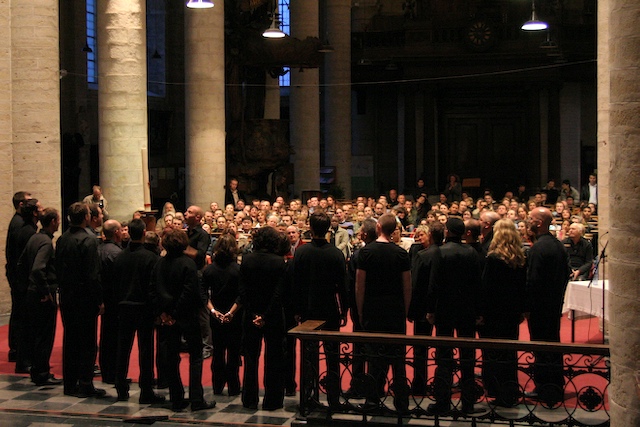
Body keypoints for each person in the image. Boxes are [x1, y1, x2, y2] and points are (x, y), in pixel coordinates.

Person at [150, 228, 215, 412]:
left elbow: (152, 290)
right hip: (186, 316)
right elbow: (189, 292)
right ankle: (196, 398)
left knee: (171, 357)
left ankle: (176, 398)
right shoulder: (188, 263)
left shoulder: (160, 263)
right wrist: (175, 313)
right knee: (195, 356)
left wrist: (164, 314)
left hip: (168, 317)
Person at [426, 217, 482, 415]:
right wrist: (478, 310)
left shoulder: (440, 252)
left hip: (445, 309)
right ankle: (468, 403)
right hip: (467, 310)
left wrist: (430, 310)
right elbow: (477, 284)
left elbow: (434, 284)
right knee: (468, 356)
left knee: (444, 356)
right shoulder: (471, 252)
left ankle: (443, 402)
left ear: (447, 231)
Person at [356, 213, 412, 413]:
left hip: (373, 308)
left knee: (374, 356)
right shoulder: (401, 253)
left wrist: (360, 311)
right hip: (395, 309)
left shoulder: (366, 252)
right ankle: (401, 402)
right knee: (398, 358)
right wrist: (405, 310)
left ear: (378, 226)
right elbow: (407, 286)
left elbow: (360, 286)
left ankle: (372, 400)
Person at [291, 211, 348, 409]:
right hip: (330, 308)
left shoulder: (302, 252)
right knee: (333, 355)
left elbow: (296, 284)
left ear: (311, 228)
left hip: (308, 308)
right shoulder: (336, 253)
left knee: (309, 355)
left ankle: (309, 396)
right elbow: (343, 286)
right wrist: (344, 310)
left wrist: (296, 309)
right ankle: (333, 398)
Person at [111, 219, 165, 404]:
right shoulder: (150, 258)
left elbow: (114, 285)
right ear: (143, 233)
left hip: (124, 306)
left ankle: (120, 387)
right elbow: (153, 287)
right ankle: (146, 390)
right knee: (146, 350)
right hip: (144, 308)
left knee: (122, 348)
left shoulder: (120, 256)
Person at [55, 202, 106, 398]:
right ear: (86, 217)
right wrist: (99, 299)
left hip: (67, 296)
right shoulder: (89, 240)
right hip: (84, 298)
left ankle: (70, 384)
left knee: (70, 340)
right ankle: (85, 383)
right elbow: (93, 275)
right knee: (87, 342)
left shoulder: (63, 239)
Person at [238, 226, 288, 410]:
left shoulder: (247, 260)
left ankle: (249, 399)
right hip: (272, 315)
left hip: (251, 314)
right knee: (274, 357)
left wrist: (253, 314)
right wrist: (265, 315)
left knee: (251, 357)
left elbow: (242, 290)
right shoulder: (279, 262)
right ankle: (272, 400)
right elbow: (278, 293)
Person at [525, 207, 571, 404]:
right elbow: (566, 273)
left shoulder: (538, 248)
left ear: (539, 223)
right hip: (554, 303)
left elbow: (532, 280)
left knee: (541, 346)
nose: (528, 221)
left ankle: (544, 387)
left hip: (540, 306)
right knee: (553, 342)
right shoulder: (558, 245)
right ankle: (555, 385)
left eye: (531, 218)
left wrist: (527, 306)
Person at [480, 220, 527, 407]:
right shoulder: (521, 258)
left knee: (494, 352)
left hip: (494, 312)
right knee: (509, 352)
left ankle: (497, 389)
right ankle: (510, 389)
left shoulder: (493, 258)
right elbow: (523, 287)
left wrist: (481, 312)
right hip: (512, 312)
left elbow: (486, 288)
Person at [17, 207, 62, 386]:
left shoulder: (34, 238)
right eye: (58, 220)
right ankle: (42, 372)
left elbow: (21, 265)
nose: (59, 223)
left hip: (31, 293)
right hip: (42, 296)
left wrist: (27, 287)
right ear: (53, 222)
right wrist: (45, 292)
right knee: (44, 336)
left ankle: (37, 371)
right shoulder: (45, 242)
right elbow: (38, 269)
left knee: (35, 334)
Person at [202, 234, 242, 397]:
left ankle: (217, 386)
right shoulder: (238, 269)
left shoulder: (209, 269)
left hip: (216, 315)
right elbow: (242, 295)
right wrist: (231, 312)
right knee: (233, 352)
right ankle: (233, 386)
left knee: (218, 352)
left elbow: (203, 294)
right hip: (234, 315)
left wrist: (213, 311)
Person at [407, 223, 443, 395]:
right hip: (442, 306)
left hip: (423, 307)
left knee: (420, 349)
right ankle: (441, 384)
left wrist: (411, 309)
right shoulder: (444, 253)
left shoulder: (423, 255)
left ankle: (419, 385)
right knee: (444, 347)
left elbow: (416, 285)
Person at [10, 198, 41, 373]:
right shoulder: (28, 232)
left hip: (24, 282)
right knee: (27, 323)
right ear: (34, 213)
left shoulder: (27, 229)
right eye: (40, 208)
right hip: (26, 284)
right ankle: (24, 360)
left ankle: (24, 358)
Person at [5, 191, 33, 363]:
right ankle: (17, 349)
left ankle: (16, 348)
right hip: (19, 276)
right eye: (29, 201)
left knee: (18, 311)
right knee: (20, 312)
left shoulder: (19, 221)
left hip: (16, 274)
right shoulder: (20, 224)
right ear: (21, 204)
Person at [97, 219, 123, 384]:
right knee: (114, 338)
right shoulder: (117, 253)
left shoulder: (97, 249)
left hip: (103, 298)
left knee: (105, 336)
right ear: (116, 233)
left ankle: (106, 371)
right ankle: (113, 372)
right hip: (115, 299)